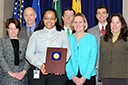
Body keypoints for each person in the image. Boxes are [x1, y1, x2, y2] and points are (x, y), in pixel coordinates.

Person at [26, 7, 71, 85]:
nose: (49, 21)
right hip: (38, 70)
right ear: (43, 19)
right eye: (46, 18)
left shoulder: (62, 34)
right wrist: (40, 65)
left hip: (56, 72)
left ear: (56, 19)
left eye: (52, 18)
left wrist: (59, 66)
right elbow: (29, 54)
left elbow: (67, 53)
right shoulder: (36, 34)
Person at [66, 13, 98, 85]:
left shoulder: (92, 38)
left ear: (84, 23)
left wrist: (84, 77)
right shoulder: (68, 39)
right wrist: (72, 76)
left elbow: (93, 59)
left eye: (80, 22)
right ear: (73, 24)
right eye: (75, 22)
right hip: (72, 77)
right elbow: (66, 60)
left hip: (88, 77)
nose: (78, 24)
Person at [99, 12, 128, 85]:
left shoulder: (126, 39)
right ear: (109, 24)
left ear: (122, 24)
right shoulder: (103, 39)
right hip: (106, 77)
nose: (114, 25)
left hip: (123, 77)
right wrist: (101, 78)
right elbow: (101, 59)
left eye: (117, 22)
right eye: (112, 22)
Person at [0, 17, 29, 85]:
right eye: (11, 29)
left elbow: (28, 58)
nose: (13, 31)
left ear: (19, 29)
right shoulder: (2, 41)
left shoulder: (24, 42)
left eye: (15, 28)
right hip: (6, 76)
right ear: (7, 29)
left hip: (22, 77)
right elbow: (1, 58)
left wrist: (23, 72)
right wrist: (10, 72)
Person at [87, 4, 108, 85]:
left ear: (107, 15)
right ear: (96, 16)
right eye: (99, 13)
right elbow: (89, 51)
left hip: (109, 70)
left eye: (103, 13)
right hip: (95, 70)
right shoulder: (90, 31)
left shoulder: (113, 30)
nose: (101, 15)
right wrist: (96, 64)